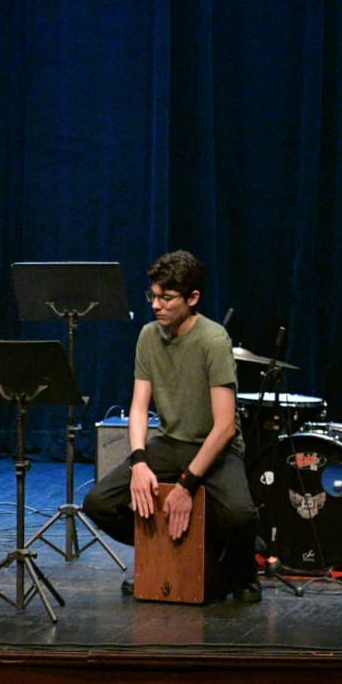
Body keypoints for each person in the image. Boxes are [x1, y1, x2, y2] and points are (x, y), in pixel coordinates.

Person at [82, 250, 261, 602]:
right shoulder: (148, 336)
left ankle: (238, 568)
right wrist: (138, 462)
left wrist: (185, 486)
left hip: (215, 447)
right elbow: (138, 406)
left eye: (167, 298)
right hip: (170, 443)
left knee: (241, 515)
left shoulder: (213, 340)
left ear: (193, 298)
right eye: (153, 296)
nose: (156, 306)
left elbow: (225, 427)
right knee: (99, 502)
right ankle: (167, 554)